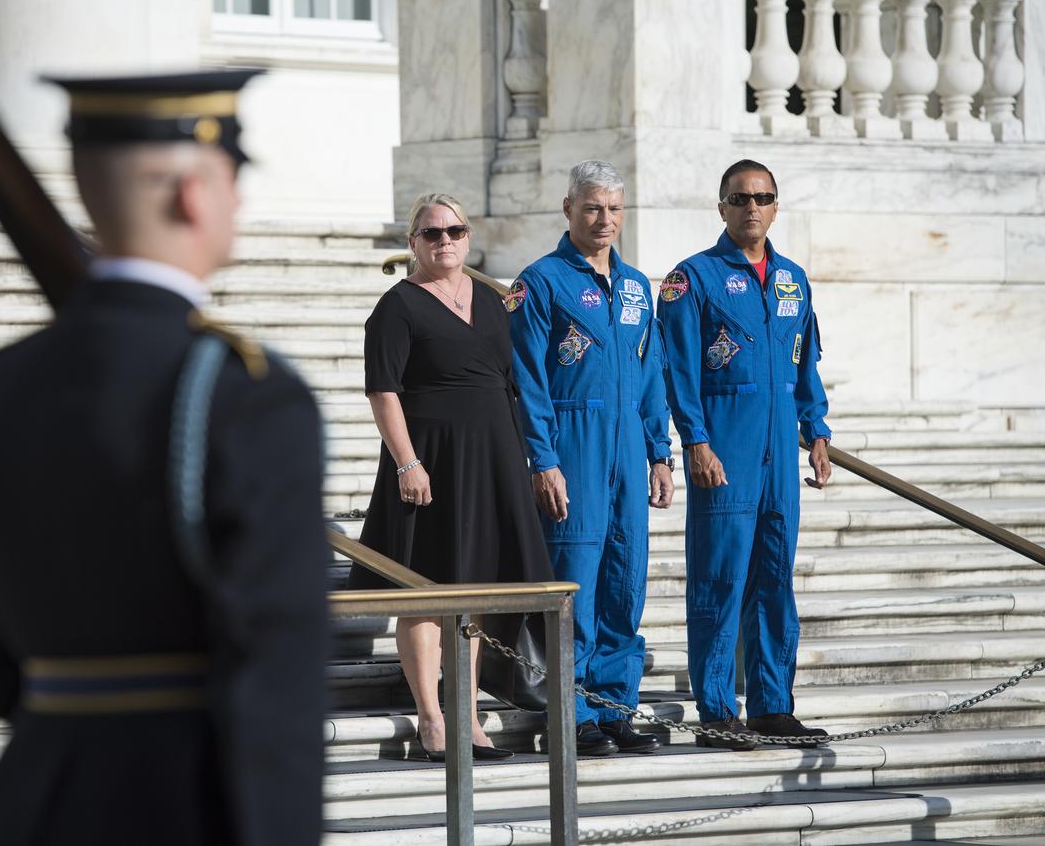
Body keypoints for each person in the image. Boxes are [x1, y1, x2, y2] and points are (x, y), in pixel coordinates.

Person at [0, 70, 330, 844]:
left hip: (28, 803)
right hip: (184, 806)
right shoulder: (247, 393)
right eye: (231, 180)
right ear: (193, 194)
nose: (239, 202)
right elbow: (277, 683)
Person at [347, 192, 553, 762]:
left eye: (455, 232)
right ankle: (433, 721)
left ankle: (467, 714)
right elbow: (382, 391)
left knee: (475, 589)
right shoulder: (398, 305)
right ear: (412, 243)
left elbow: (513, 379)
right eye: (432, 233)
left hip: (492, 460)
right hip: (429, 462)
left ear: (468, 237)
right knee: (426, 591)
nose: (445, 242)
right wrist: (407, 462)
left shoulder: (490, 301)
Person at [657, 159, 833, 750]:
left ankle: (772, 706)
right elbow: (677, 370)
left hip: (781, 451)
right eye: (739, 198)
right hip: (725, 450)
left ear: (776, 206)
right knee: (720, 578)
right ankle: (715, 709)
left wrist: (818, 430)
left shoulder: (792, 280)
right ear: (722, 208)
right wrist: (696, 440)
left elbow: (803, 361)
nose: (751, 207)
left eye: (762, 197)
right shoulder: (693, 279)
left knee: (775, 580)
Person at [507, 160, 675, 757]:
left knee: (625, 582)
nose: (604, 220)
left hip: (629, 446)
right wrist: (543, 460)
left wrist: (661, 452)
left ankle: (613, 710)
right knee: (574, 581)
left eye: (614, 209)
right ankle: (569, 714)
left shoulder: (635, 287)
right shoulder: (541, 282)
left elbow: (652, 372)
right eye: (592, 208)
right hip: (572, 444)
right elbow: (525, 379)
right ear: (568, 210)